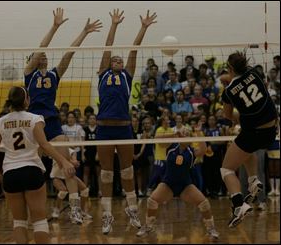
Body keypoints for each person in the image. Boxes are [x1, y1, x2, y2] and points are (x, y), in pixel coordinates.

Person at [24, 8, 102, 223]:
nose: (43, 57)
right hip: (33, 124)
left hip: (51, 122)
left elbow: (69, 53)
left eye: (44, 56)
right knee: (34, 168)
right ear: (32, 60)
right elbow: (41, 48)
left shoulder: (54, 75)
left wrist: (84, 32)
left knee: (67, 164)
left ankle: (75, 208)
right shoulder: (29, 75)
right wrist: (55, 27)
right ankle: (33, 210)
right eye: (39, 56)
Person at [96, 9, 157, 234]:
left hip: (123, 129)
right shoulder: (103, 73)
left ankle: (132, 210)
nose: (117, 60)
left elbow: (134, 50)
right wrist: (114, 24)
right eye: (114, 59)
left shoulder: (127, 76)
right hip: (103, 130)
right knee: (106, 174)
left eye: (119, 60)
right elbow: (107, 45)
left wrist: (143, 27)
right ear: (108, 64)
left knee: (128, 172)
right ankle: (107, 216)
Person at [0, 86, 76, 244]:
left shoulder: (0, 122)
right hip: (31, 171)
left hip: (10, 173)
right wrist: (63, 161)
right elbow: (45, 145)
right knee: (39, 221)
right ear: (26, 100)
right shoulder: (35, 118)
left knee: (19, 222)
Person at [220, 51, 278, 228]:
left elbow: (227, 115)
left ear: (230, 68)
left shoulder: (229, 91)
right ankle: (254, 181)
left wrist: (237, 118)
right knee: (245, 151)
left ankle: (238, 205)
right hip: (271, 129)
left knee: (226, 169)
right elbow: (239, 78)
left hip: (253, 133)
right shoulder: (254, 73)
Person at [136, 127, 219, 240]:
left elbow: (203, 149)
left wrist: (199, 132)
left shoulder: (191, 152)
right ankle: (148, 226)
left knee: (204, 203)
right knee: (152, 201)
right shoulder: (170, 147)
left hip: (185, 186)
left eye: (186, 134)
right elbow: (156, 139)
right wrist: (174, 133)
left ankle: (211, 229)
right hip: (168, 184)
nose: (184, 135)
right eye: (182, 133)